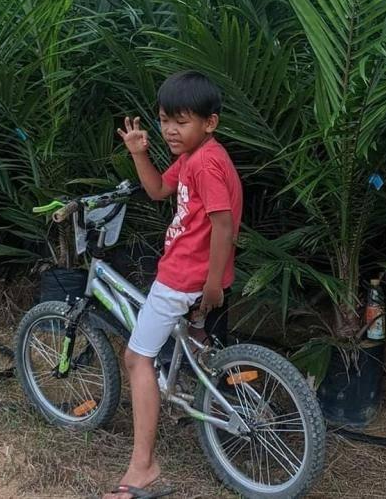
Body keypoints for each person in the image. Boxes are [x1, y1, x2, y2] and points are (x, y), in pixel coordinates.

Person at [103, 71, 243, 499]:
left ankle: (143, 466)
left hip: (183, 276)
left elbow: (224, 225)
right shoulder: (196, 156)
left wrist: (212, 283)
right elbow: (159, 189)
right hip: (191, 274)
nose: (169, 130)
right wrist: (138, 153)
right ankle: (194, 389)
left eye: (181, 121)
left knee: (135, 358)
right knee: (191, 341)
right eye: (165, 120)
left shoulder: (206, 163)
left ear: (210, 122)